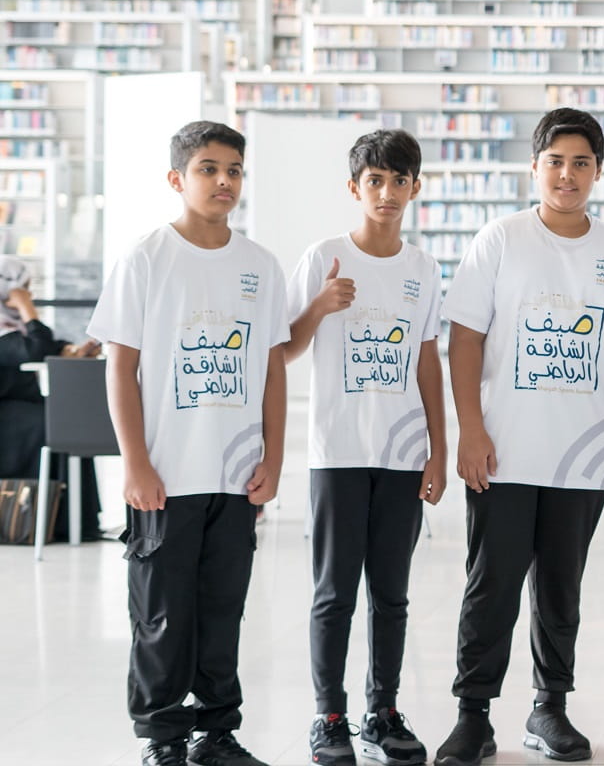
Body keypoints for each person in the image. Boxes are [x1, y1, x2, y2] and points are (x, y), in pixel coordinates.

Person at [432, 109, 604, 766]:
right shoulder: (501, 239)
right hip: (502, 452)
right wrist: (470, 430)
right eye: (555, 161)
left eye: (581, 163)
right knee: (491, 585)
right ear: (535, 167)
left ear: (598, 172)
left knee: (562, 589)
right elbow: (464, 341)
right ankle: (473, 716)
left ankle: (549, 707)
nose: (567, 175)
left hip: (582, 455)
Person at [86, 121, 290, 766]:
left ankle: (216, 734)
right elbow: (120, 366)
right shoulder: (146, 258)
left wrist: (274, 456)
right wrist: (135, 463)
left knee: (223, 609)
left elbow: (272, 368)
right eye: (208, 168)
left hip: (236, 474)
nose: (224, 181)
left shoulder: (260, 265)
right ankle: (163, 738)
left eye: (234, 170)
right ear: (177, 178)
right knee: (162, 614)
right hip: (166, 474)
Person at [284, 129, 445, 766]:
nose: (387, 192)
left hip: (402, 455)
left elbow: (427, 360)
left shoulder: (423, 269)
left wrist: (439, 448)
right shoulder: (324, 256)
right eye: (375, 180)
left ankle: (383, 711)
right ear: (355, 188)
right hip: (339, 453)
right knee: (334, 594)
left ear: (415, 188)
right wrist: (320, 306)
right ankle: (329, 715)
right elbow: (285, 348)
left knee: (392, 595)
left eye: (399, 181)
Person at [0, 255, 103, 541]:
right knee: (56, 424)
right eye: (23, 287)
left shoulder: (14, 329)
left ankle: (76, 520)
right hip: (7, 415)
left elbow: (48, 345)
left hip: (24, 409)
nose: (28, 293)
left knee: (67, 423)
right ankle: (56, 521)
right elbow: (35, 347)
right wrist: (26, 308)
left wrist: (74, 351)